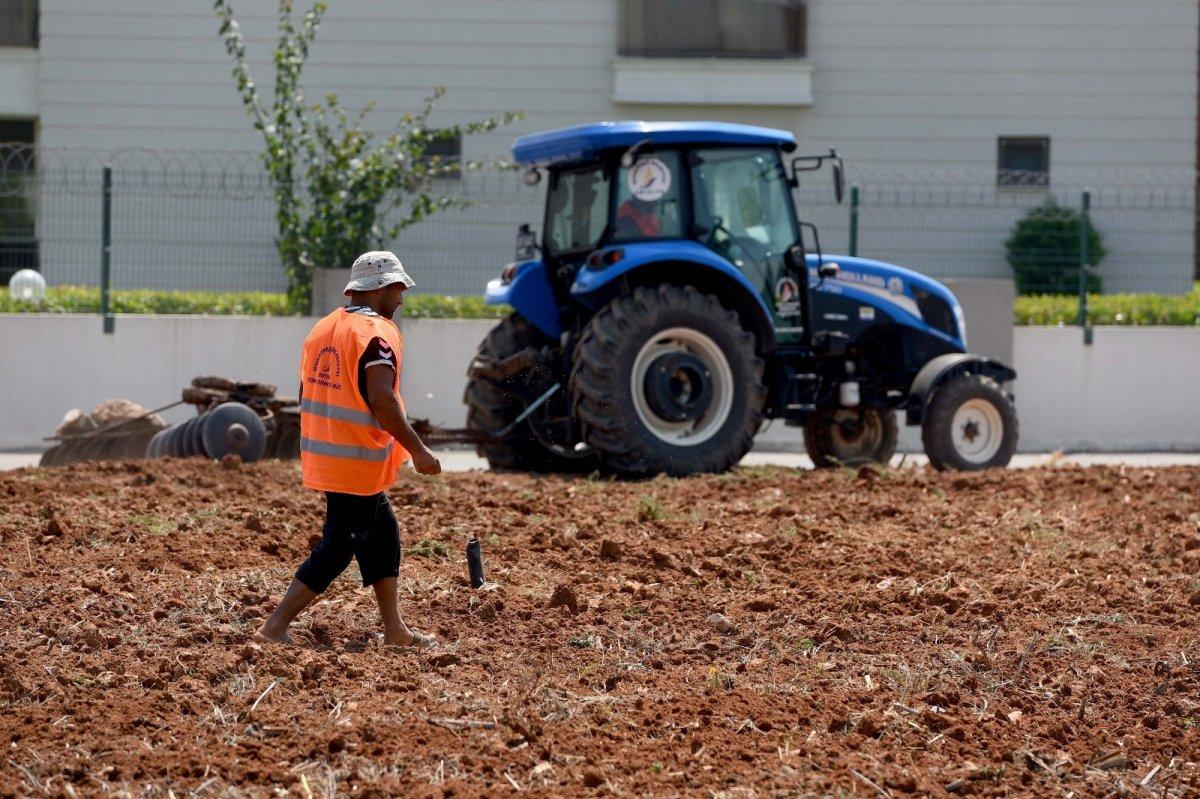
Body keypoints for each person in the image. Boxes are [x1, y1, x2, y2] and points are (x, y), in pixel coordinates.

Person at [254, 251, 441, 648]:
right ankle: (274, 627)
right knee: (339, 546)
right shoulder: (377, 334)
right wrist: (419, 450)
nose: (401, 299)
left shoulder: (322, 328)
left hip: (331, 456)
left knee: (384, 534)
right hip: (355, 460)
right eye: (398, 289)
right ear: (380, 289)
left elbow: (308, 391)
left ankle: (395, 630)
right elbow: (382, 399)